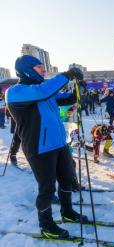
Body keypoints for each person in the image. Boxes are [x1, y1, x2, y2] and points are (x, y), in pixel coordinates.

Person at [5, 55, 88, 239]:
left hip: (58, 143)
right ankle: (47, 225)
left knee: (67, 179)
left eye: (43, 66)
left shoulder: (43, 90)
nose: (43, 70)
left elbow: (66, 99)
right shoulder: (16, 91)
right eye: (39, 67)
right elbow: (43, 92)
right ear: (26, 69)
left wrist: (78, 88)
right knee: (47, 188)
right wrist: (66, 74)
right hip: (39, 147)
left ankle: (68, 212)